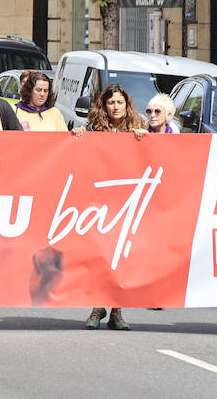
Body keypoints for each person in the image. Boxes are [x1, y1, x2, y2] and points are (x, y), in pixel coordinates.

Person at [77, 83, 145, 331]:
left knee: (121, 258)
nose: (116, 107)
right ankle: (97, 307)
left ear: (127, 105)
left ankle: (116, 310)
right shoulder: (96, 130)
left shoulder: (137, 130)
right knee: (100, 256)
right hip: (101, 203)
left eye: (120, 102)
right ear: (104, 106)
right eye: (111, 103)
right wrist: (78, 136)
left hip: (127, 203)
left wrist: (144, 141)